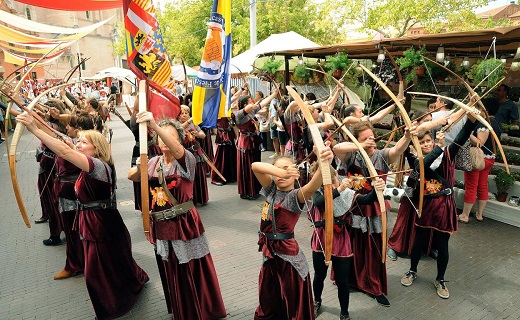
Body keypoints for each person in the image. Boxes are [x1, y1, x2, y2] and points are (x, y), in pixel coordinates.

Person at [17, 112, 149, 320]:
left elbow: (64, 151)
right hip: (98, 221)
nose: (77, 144)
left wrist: (33, 128)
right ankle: (125, 289)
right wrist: (37, 124)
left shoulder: (96, 165)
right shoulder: (94, 162)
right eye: (78, 141)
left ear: (95, 148)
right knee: (113, 263)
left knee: (96, 272)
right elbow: (65, 145)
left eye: (83, 142)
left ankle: (110, 307)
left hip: (101, 224)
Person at [128, 113, 226, 319]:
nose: (164, 140)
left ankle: (200, 309)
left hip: (184, 223)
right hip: (162, 225)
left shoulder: (186, 159)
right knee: (171, 267)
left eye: (170, 136)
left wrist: (154, 123)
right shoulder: (153, 161)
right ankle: (181, 308)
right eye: (161, 136)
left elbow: (178, 150)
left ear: (178, 140)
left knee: (191, 266)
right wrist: (139, 167)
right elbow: (133, 177)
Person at [334, 121, 415, 307]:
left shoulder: (381, 155)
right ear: (356, 140)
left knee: (373, 248)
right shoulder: (350, 155)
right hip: (353, 206)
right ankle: (352, 280)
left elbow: (396, 151)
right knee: (352, 245)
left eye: (372, 137)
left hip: (374, 208)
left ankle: (374, 286)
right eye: (365, 138)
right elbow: (337, 147)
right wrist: (360, 146)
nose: (371, 140)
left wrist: (408, 137)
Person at [251, 144, 334, 320]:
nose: (284, 174)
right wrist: (280, 172)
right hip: (270, 255)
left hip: (289, 259)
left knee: (293, 303)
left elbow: (313, 185)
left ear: (296, 174)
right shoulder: (270, 190)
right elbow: (255, 166)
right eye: (278, 170)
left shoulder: (295, 195)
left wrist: (324, 160)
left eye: (289, 169)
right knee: (269, 299)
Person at [400, 113, 477, 300]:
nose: (426, 144)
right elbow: (421, 169)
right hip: (426, 206)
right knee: (418, 241)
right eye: (422, 143)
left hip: (444, 206)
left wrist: (471, 118)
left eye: (428, 141)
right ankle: (412, 270)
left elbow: (463, 135)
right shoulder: (416, 159)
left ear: (432, 140)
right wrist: (438, 147)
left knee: (443, 246)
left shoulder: (447, 154)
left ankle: (440, 279)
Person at [310, 163, 385, 320]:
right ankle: (316, 301)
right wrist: (339, 189)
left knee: (342, 280)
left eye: (334, 180)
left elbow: (366, 200)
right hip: (321, 239)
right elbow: (319, 202)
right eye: (327, 183)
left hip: (341, 240)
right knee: (319, 275)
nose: (332, 184)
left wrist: (378, 188)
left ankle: (344, 312)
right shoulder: (317, 192)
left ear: (337, 176)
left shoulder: (346, 191)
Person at [52, 114, 96, 280]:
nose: (67, 128)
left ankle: (77, 264)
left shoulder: (86, 149)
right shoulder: (75, 143)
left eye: (70, 126)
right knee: (73, 232)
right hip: (67, 191)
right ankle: (78, 262)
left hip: (75, 194)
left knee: (76, 231)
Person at [459, 98, 501, 223]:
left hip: (479, 159)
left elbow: (479, 143)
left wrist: (467, 132)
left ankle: (465, 215)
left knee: (471, 186)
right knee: (482, 185)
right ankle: (479, 214)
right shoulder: (496, 123)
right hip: (490, 159)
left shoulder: (484, 123)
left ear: (484, 109)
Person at [236, 90, 277, 200]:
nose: (253, 102)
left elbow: (262, 104)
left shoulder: (251, 113)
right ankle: (247, 191)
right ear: (245, 105)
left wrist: (274, 94)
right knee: (247, 167)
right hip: (245, 144)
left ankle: (255, 188)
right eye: (250, 101)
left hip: (254, 142)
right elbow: (250, 108)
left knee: (256, 165)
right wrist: (253, 105)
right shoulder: (239, 115)